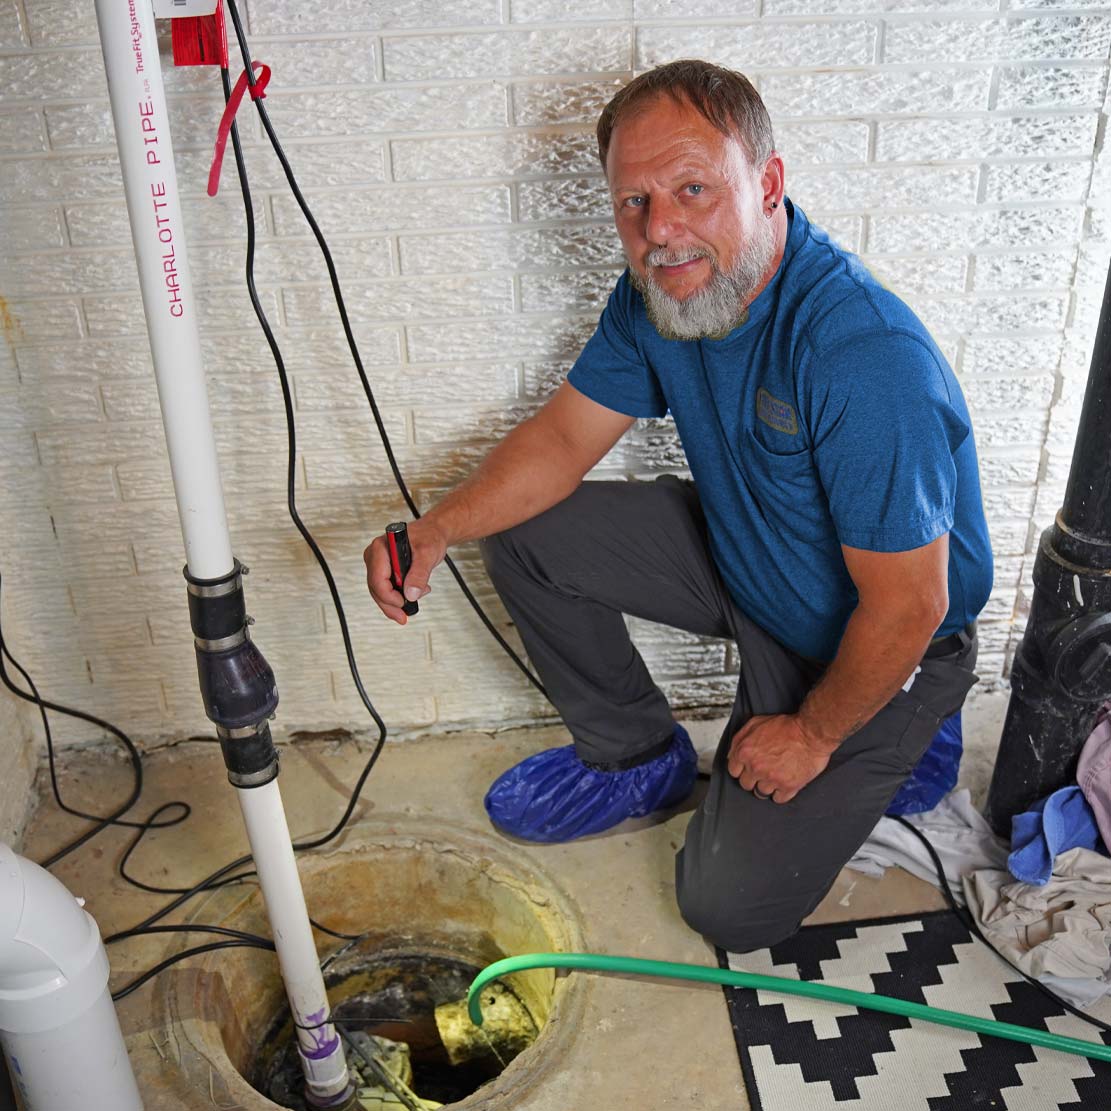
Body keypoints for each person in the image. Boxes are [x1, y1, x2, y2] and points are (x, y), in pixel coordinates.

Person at [364, 60, 993, 953]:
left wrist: (812, 734)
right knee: (523, 531)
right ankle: (637, 758)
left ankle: (911, 730)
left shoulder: (859, 351)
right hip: (751, 556)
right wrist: (430, 532)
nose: (660, 230)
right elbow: (558, 441)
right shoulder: (661, 295)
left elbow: (909, 603)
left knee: (725, 908)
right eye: (634, 202)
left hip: (880, 637)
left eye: (692, 188)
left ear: (767, 184)